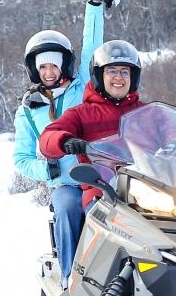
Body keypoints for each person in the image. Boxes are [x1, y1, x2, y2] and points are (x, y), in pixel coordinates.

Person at [13, 0, 117, 282]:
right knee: (71, 210)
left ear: (64, 65)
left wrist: (95, 4)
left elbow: (92, 44)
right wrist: (48, 171)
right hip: (66, 184)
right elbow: (22, 159)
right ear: (34, 69)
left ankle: (124, 280)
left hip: (102, 174)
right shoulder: (29, 111)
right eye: (42, 66)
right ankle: (73, 281)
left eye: (53, 65)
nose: (48, 72)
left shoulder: (83, 84)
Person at [38, 39, 146, 211]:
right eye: (112, 71)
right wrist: (64, 141)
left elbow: (175, 133)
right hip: (102, 191)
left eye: (124, 72)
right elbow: (48, 137)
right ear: (99, 76)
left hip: (146, 189)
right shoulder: (81, 113)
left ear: (133, 77)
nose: (118, 77)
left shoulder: (146, 112)